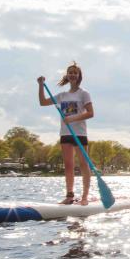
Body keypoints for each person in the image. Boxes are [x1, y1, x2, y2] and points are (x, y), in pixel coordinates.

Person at [37, 62, 94, 205]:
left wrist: (73, 118)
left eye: (75, 72)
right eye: (70, 72)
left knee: (83, 164)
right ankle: (69, 195)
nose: (72, 74)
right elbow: (43, 102)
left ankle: (85, 197)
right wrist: (40, 85)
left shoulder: (84, 93)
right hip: (65, 133)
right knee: (68, 165)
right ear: (67, 76)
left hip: (79, 134)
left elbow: (91, 113)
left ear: (79, 76)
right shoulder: (62, 95)